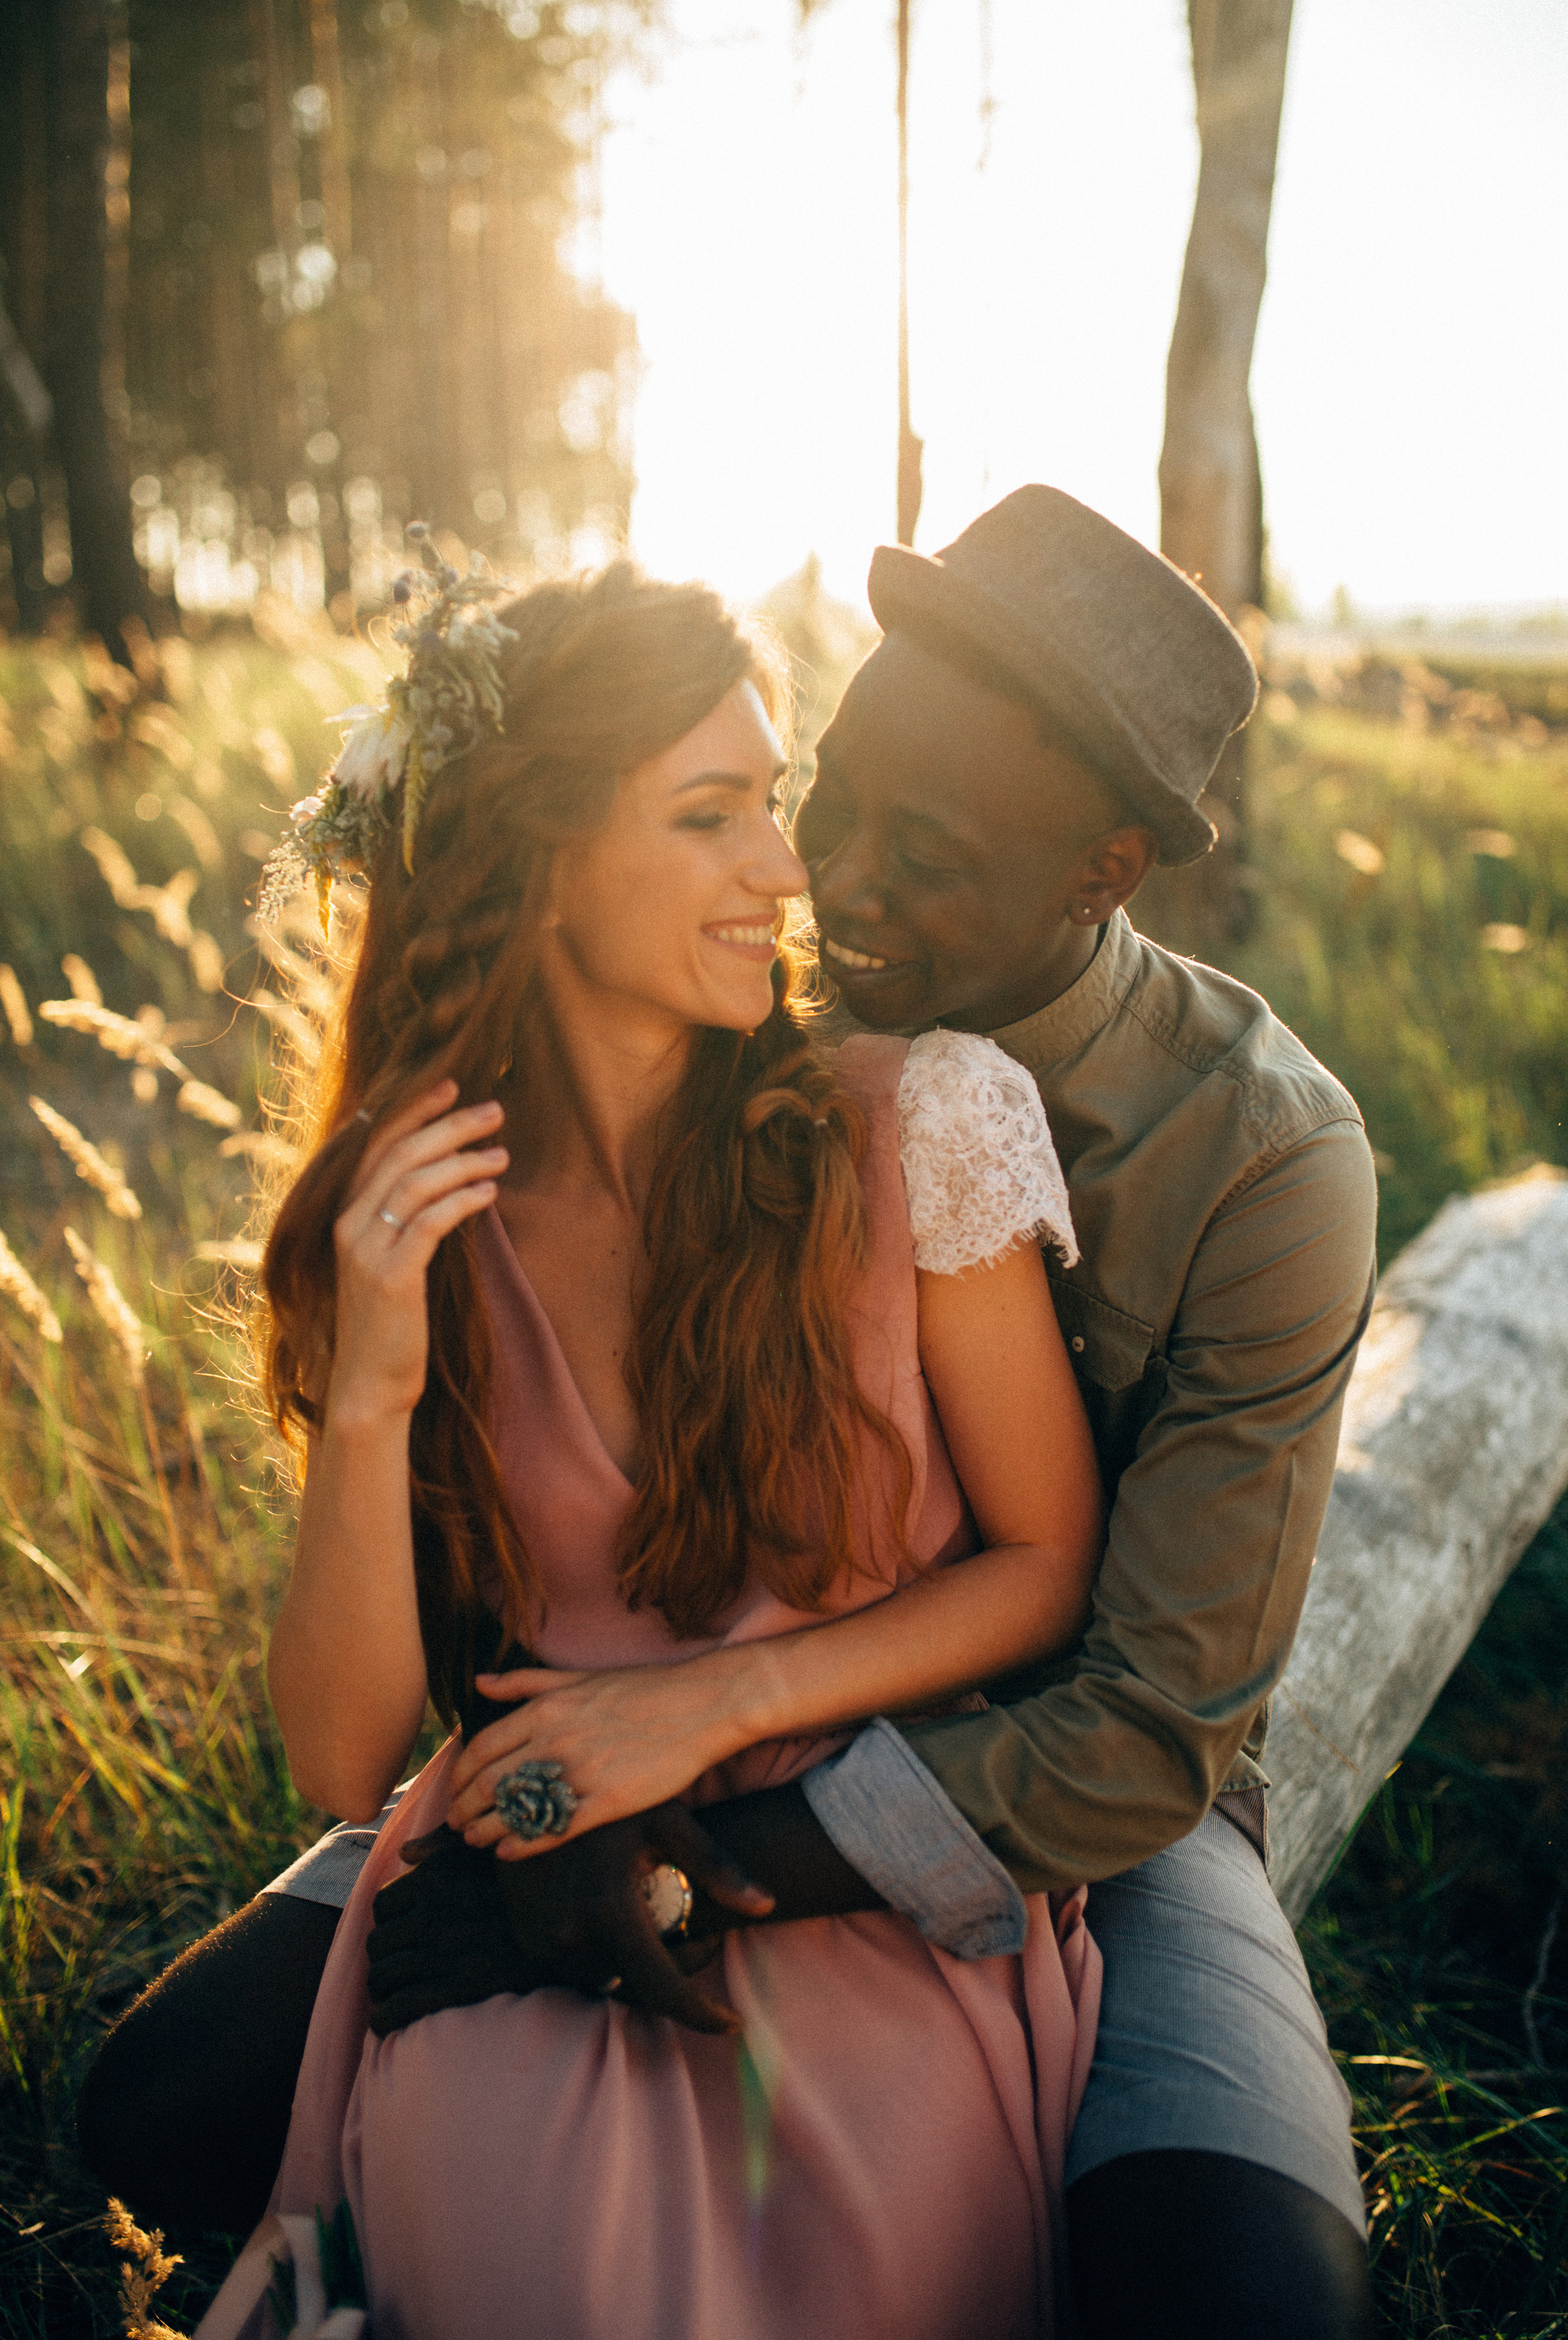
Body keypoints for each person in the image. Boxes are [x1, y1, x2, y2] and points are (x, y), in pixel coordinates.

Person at [81, 489, 1378, 2340]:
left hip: (1077, 1801)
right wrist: (554, 1782)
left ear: (1099, 871)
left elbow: (1143, 1713)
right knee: (166, 2105)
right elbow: (437, 1674)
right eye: (815, 798)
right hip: (630, 1737)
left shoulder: (1259, 1156)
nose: (827, 884)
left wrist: (688, 1854)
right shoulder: (706, 1049)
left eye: (921, 854)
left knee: (1246, 2304)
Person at [189, 549, 1109, 2340]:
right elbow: (342, 1752)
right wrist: (372, 1387)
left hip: (869, 1888)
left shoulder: (919, 1123)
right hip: (526, 1900)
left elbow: (1050, 1569)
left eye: (770, 805)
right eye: (710, 817)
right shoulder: (416, 1215)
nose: (785, 870)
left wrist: (703, 1709)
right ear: (539, 868)